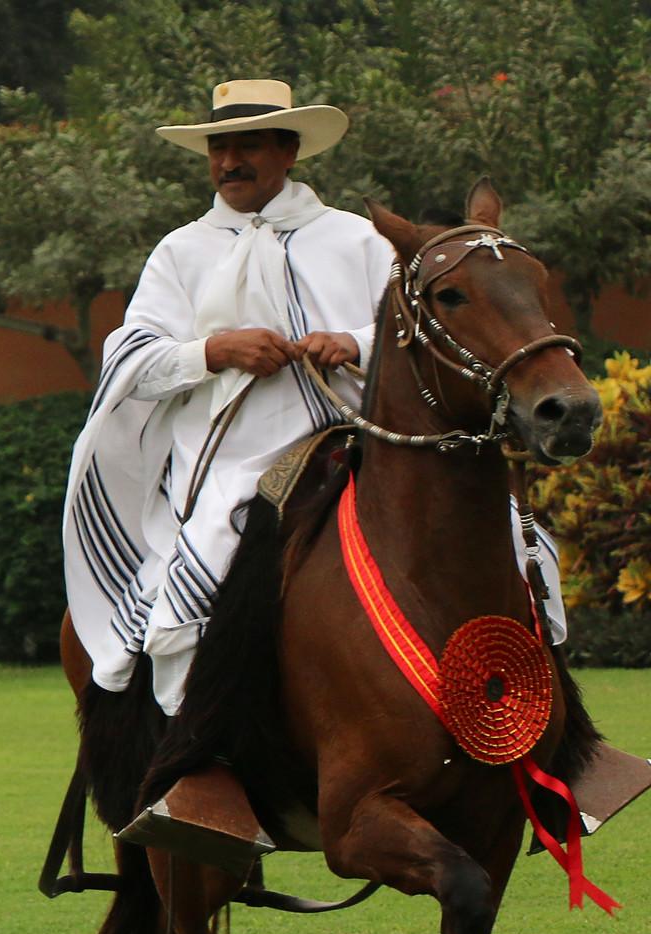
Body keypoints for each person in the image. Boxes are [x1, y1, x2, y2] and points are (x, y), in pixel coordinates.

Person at [61, 78, 568, 716]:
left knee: (518, 540)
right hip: (233, 458)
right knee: (208, 564)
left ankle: (552, 732)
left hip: (361, 438)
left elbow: (419, 331)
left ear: (289, 151)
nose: (227, 162)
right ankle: (197, 754)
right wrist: (215, 352)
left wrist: (354, 341)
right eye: (218, 148)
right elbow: (129, 358)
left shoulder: (357, 239)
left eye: (246, 146)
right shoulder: (180, 252)